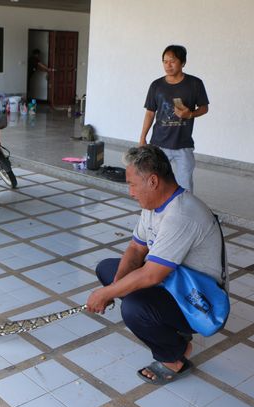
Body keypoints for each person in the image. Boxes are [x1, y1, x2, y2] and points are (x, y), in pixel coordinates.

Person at [86, 145, 223, 385]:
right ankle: (166, 325)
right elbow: (136, 248)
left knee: (134, 308)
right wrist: (115, 287)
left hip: (198, 299)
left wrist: (107, 293)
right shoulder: (154, 205)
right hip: (173, 282)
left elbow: (151, 275)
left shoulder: (182, 214)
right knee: (107, 269)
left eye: (132, 184)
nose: (130, 192)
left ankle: (174, 355)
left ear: (153, 181)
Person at [139, 45, 209, 192]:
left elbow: (204, 108)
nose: (168, 65)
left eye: (172, 61)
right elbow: (150, 113)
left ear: (183, 62)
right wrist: (142, 138)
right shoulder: (156, 85)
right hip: (159, 144)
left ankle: (183, 207)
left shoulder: (194, 83)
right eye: (165, 61)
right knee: (155, 184)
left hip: (183, 145)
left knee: (185, 186)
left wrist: (190, 114)